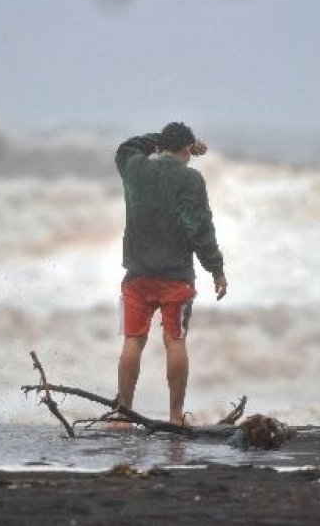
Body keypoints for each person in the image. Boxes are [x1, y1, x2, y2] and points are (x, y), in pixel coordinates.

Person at [114, 122, 228, 426]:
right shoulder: (190, 178)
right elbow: (199, 228)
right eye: (189, 149)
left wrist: (163, 140)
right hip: (176, 277)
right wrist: (215, 268)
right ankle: (176, 416)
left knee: (132, 341)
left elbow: (128, 147)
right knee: (175, 341)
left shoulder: (135, 168)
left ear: (160, 146)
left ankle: (123, 415)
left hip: (137, 275)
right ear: (187, 149)